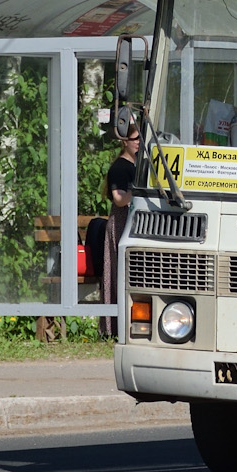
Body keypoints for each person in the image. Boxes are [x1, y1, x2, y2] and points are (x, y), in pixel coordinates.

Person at [99, 126, 139, 338]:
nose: (139, 143)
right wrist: (139, 192)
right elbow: (119, 198)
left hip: (133, 220)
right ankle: (112, 326)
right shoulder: (119, 167)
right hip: (121, 221)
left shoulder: (138, 164)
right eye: (135, 139)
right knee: (118, 272)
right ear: (124, 141)